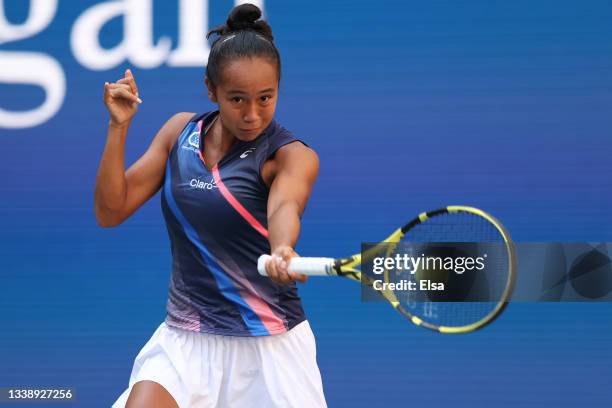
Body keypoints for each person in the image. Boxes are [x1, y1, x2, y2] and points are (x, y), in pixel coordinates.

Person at [95, 4, 326, 407]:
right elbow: (111, 211)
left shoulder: (290, 155)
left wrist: (282, 248)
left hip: (269, 348)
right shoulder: (179, 133)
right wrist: (119, 127)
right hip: (186, 340)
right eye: (237, 99)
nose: (252, 114)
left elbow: (284, 207)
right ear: (211, 89)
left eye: (265, 98)